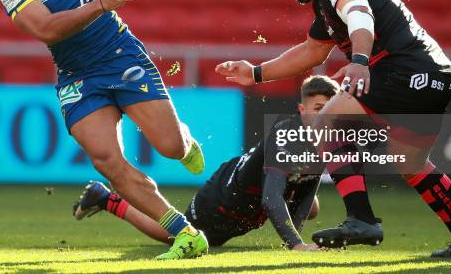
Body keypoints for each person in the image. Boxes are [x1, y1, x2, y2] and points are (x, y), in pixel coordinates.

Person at [214, 0, 451, 258]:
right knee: (411, 163)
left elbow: (359, 13)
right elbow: (313, 51)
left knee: (327, 121)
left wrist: (359, 62)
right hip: (438, 77)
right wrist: (257, 72)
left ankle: (361, 219)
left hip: (404, 70)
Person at [0, 0, 207, 260]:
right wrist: (103, 3)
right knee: (107, 160)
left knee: (171, 148)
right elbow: (46, 29)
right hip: (76, 75)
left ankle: (184, 140)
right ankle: (184, 234)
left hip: (119, 55)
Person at [73, 75, 340, 251]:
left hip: (251, 199)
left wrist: (297, 237)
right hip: (222, 201)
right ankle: (107, 199)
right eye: (318, 109)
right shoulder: (287, 136)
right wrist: (296, 245)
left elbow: (308, 188)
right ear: (302, 110)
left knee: (312, 207)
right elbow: (271, 199)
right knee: (173, 236)